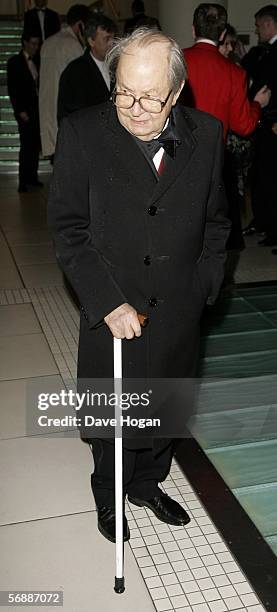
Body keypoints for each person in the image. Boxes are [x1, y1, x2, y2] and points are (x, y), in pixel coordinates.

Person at [48, 27, 230, 543]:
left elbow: (218, 223)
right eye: (124, 91)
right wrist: (106, 301)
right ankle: (109, 492)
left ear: (175, 92)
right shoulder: (83, 133)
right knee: (113, 414)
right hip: (113, 305)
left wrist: (204, 285)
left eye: (151, 96)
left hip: (177, 304)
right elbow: (68, 229)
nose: (135, 107)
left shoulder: (209, 134)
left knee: (166, 405)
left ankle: (147, 484)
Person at [182, 3, 270, 140]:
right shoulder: (235, 73)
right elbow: (243, 126)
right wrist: (257, 104)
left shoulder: (174, 59)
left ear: (193, 30)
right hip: (211, 153)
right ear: (223, 35)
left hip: (175, 149)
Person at [39, 4, 91, 158]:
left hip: (47, 112)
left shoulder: (48, 42)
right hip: (64, 113)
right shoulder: (72, 45)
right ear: (80, 25)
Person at [246, 5, 277, 250]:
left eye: (258, 25)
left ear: (268, 24)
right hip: (264, 122)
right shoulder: (264, 52)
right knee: (263, 175)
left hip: (273, 123)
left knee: (272, 176)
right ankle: (266, 223)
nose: (257, 30)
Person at [57, 14, 116, 122]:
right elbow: (66, 116)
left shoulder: (117, 66)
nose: (112, 43)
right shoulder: (74, 71)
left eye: (113, 38)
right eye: (107, 39)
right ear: (91, 41)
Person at [7, 31, 42, 193]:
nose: (36, 47)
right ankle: (22, 181)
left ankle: (32, 178)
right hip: (24, 111)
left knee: (35, 145)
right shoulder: (14, 62)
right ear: (25, 43)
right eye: (33, 43)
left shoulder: (37, 60)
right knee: (26, 146)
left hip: (37, 109)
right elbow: (13, 88)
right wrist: (19, 110)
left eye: (37, 44)